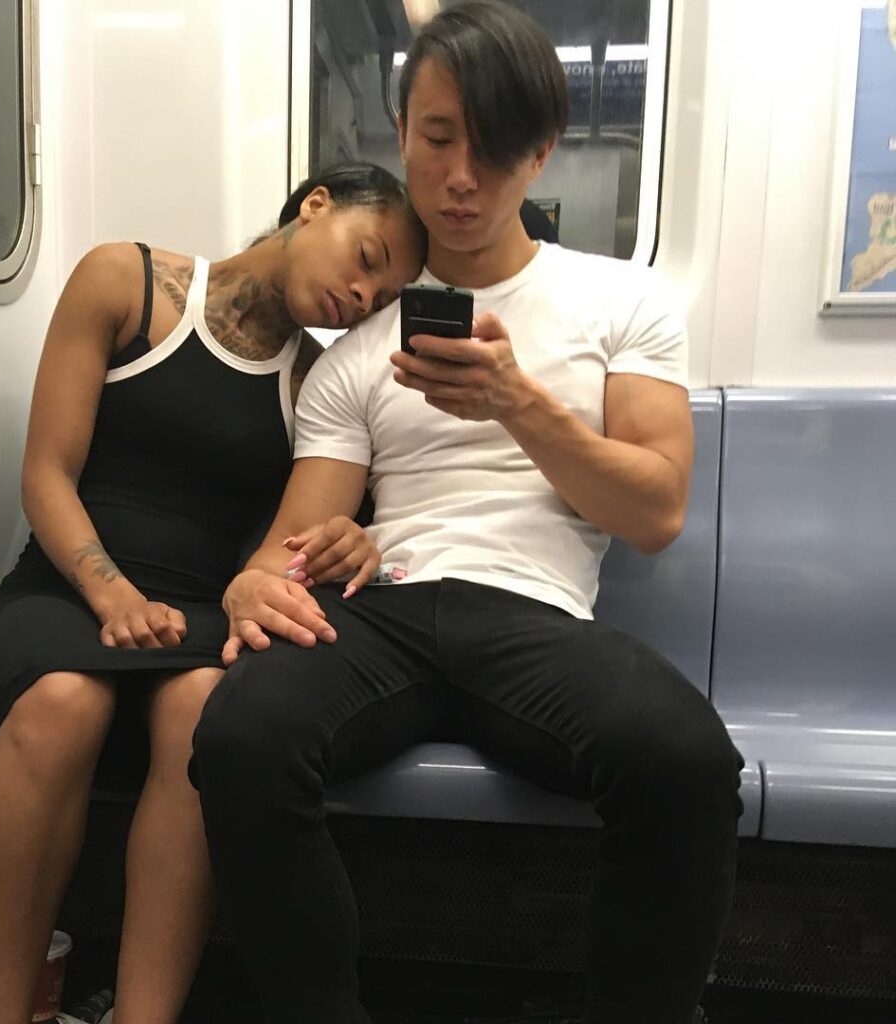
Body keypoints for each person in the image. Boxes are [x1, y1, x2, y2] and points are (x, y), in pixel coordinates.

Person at [190, 5, 744, 1024]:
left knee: (690, 763)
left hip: (530, 614)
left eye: (492, 150)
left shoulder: (624, 301)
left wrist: (518, 403)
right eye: (438, 139)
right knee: (239, 736)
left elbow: (656, 508)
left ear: (539, 154)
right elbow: (293, 544)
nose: (458, 178)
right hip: (387, 606)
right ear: (400, 131)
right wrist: (254, 578)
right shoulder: (359, 346)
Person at [0, 162, 426, 1024]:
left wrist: (357, 535)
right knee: (65, 701)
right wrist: (111, 596)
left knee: (203, 710)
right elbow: (46, 475)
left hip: (200, 621)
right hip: (64, 591)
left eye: (382, 295)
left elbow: (286, 546)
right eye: (365, 258)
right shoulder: (126, 282)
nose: (361, 295)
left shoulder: (317, 382)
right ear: (314, 205)